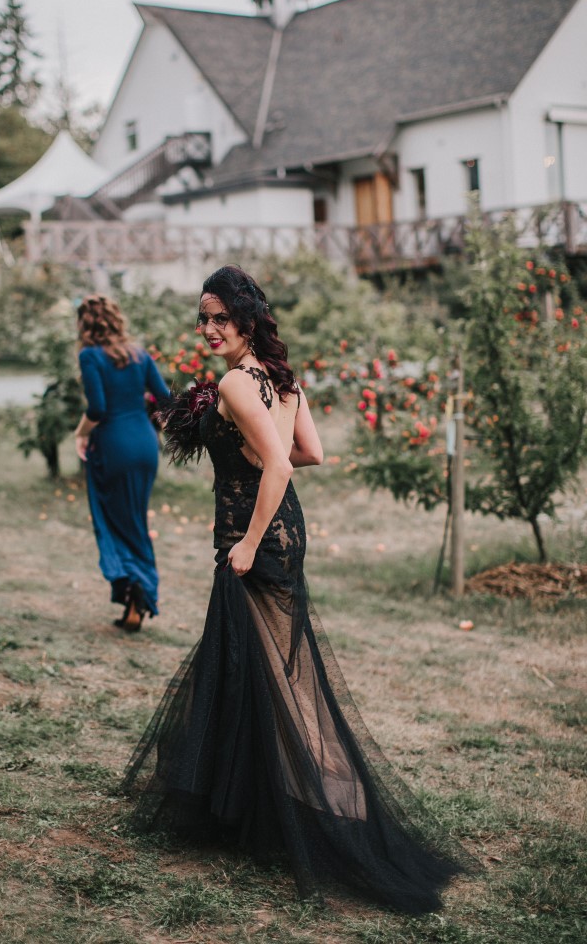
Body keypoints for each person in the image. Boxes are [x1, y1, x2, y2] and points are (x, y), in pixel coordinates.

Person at [123, 265, 476, 912]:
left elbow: (284, 462)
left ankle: (328, 804)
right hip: (282, 529)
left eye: (218, 319)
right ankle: (254, 802)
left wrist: (249, 542)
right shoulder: (280, 380)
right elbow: (309, 452)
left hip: (253, 538)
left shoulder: (235, 381)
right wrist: (258, 460)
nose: (207, 329)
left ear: (246, 321)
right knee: (261, 664)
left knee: (281, 673)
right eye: (202, 318)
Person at [74, 295, 170, 631]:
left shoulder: (89, 356)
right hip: (144, 445)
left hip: (113, 445)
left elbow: (97, 409)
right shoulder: (139, 354)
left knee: (116, 521)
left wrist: (79, 433)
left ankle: (135, 585)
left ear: (84, 324)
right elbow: (165, 398)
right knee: (135, 520)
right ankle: (136, 595)